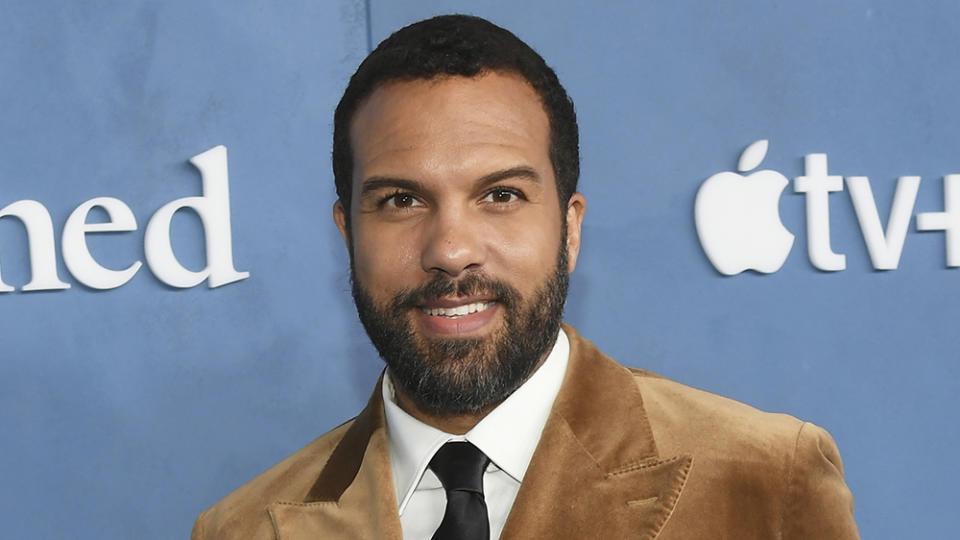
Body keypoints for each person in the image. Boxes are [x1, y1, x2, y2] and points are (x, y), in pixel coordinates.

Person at [192, 14, 859, 539]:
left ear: (569, 227)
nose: (451, 250)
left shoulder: (764, 483)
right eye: (401, 200)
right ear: (348, 231)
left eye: (501, 195)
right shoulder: (242, 529)